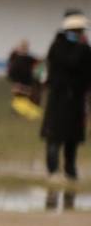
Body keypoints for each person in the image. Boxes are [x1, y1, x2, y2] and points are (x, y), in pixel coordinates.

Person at [41, 12, 89, 182]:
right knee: (54, 137)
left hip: (75, 101)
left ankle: (70, 170)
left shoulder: (83, 49)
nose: (81, 34)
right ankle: (52, 170)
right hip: (59, 99)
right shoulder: (59, 47)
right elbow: (71, 63)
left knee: (72, 139)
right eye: (79, 31)